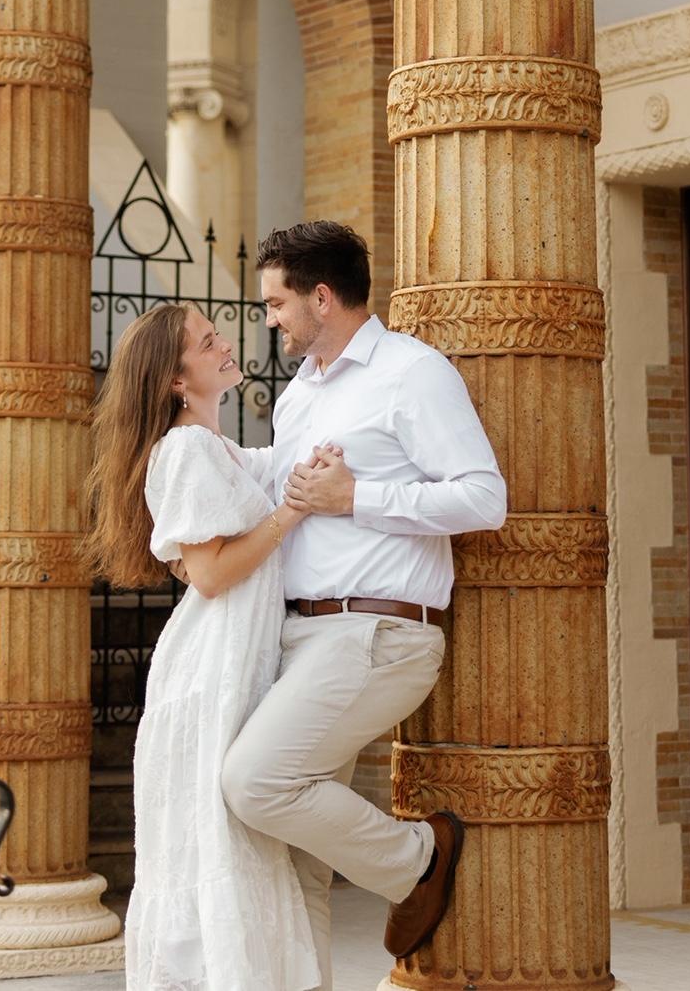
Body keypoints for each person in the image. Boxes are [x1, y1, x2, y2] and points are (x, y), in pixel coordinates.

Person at [220, 221, 507, 986]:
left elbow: (484, 498)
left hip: (377, 633)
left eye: (277, 303)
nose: (270, 320)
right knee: (297, 868)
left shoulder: (412, 373)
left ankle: (418, 858)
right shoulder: (301, 393)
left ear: (321, 297)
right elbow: (282, 485)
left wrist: (358, 497)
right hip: (301, 636)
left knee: (254, 782)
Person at [83, 301, 326, 991]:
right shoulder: (186, 449)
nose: (224, 344)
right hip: (211, 664)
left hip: (233, 657)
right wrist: (290, 513)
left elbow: (275, 468)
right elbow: (212, 573)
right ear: (175, 380)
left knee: (232, 841)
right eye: (207, 341)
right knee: (215, 841)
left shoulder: (216, 450)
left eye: (217, 335)